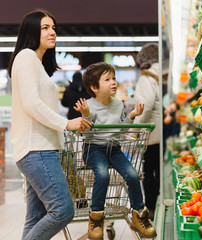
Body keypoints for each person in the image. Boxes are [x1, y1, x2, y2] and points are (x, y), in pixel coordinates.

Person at [8, 9, 92, 240]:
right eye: (45, 27)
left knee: (35, 218)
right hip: (37, 149)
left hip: (42, 148)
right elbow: (32, 104)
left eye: (53, 27)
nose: (52, 32)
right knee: (63, 210)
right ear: (31, 31)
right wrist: (66, 124)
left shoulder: (36, 63)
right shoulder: (26, 57)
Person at [74, 62, 157, 239]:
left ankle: (139, 215)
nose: (113, 82)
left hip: (114, 149)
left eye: (114, 78)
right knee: (103, 175)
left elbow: (120, 130)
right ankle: (96, 218)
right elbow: (87, 135)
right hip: (94, 149)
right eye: (107, 79)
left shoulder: (118, 104)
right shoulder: (88, 105)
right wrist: (86, 115)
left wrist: (132, 116)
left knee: (133, 174)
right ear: (94, 87)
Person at [133, 43, 161, 220]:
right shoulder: (161, 73)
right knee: (158, 170)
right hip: (162, 131)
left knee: (148, 171)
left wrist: (135, 128)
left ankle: (151, 207)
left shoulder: (146, 76)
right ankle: (158, 202)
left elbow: (146, 105)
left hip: (151, 133)